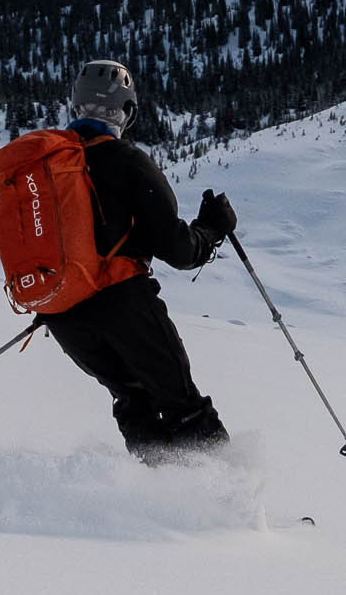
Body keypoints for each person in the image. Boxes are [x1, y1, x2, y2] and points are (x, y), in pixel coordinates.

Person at [41, 59, 238, 461]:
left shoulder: (46, 165)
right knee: (182, 403)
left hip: (63, 314)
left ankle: (156, 490)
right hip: (122, 304)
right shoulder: (127, 162)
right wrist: (211, 228)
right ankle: (233, 495)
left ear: (75, 104)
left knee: (134, 398)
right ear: (127, 111)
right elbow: (179, 250)